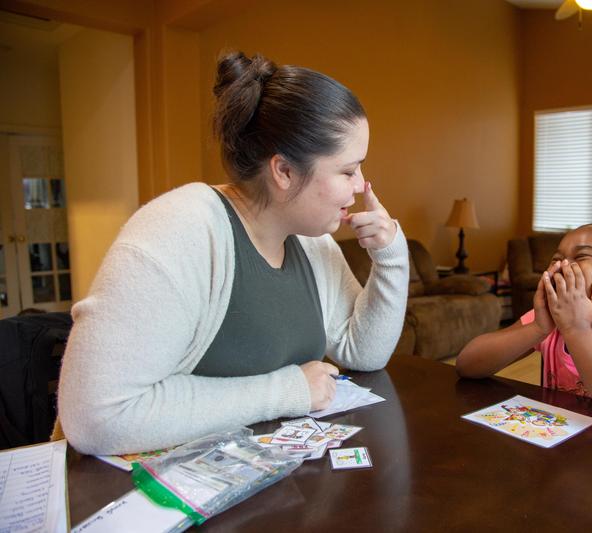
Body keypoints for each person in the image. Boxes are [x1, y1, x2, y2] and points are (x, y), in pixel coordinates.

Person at [58, 52, 409, 455]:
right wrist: (288, 390)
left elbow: (364, 351)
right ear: (284, 171)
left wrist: (390, 254)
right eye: (348, 171)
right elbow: (95, 418)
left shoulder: (312, 241)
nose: (361, 186)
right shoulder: (179, 231)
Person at [456, 207, 592, 435]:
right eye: (557, 258)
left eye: (581, 257)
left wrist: (576, 328)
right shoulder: (552, 320)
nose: (561, 266)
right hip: (571, 450)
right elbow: (467, 364)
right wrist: (537, 328)